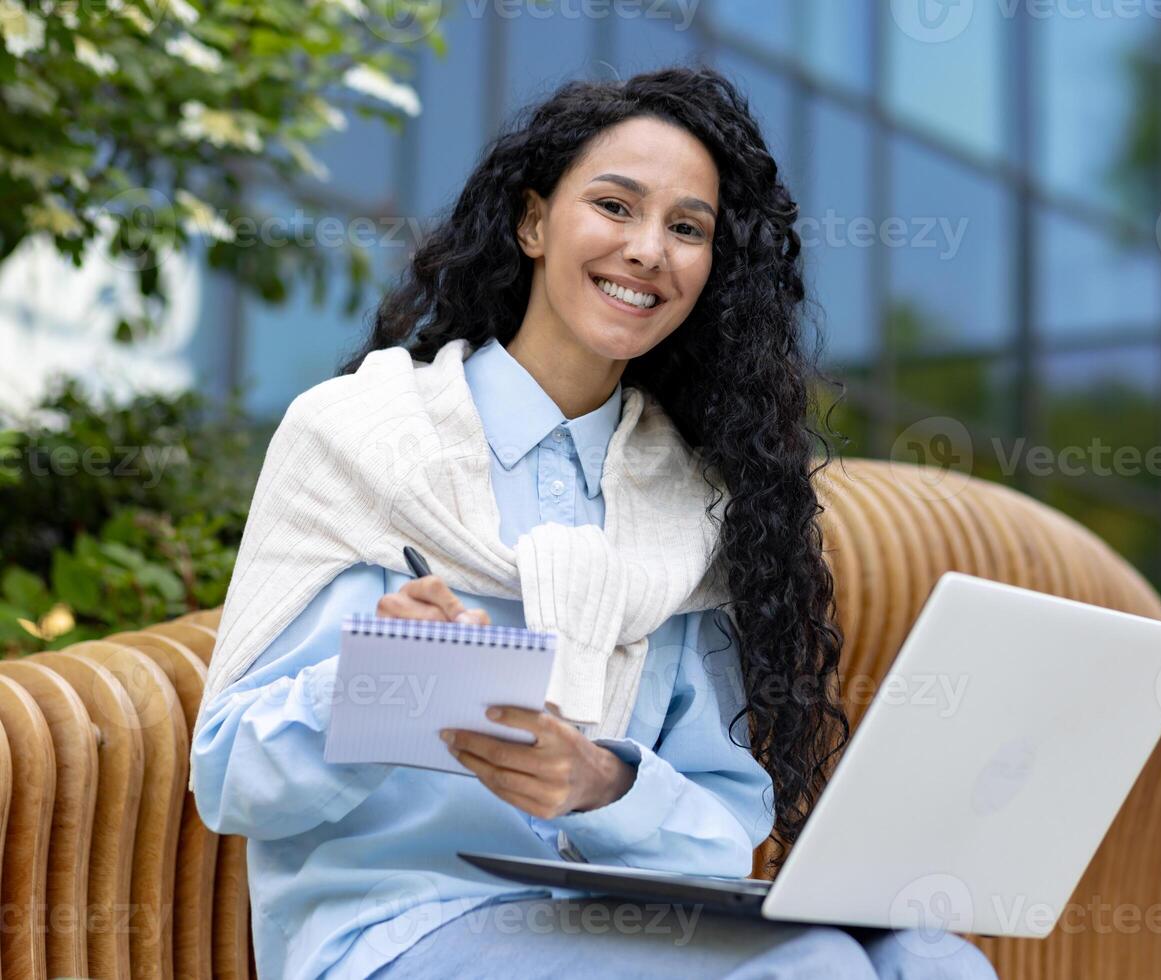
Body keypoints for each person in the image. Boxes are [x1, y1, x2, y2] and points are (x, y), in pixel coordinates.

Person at [190, 65, 1000, 980]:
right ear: (533, 223)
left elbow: (721, 827)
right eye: (615, 207)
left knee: (935, 960)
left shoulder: (687, 507)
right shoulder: (360, 439)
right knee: (808, 969)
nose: (649, 249)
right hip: (398, 927)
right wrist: (379, 687)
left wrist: (603, 785)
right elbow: (229, 780)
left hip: (614, 925)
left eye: (686, 228)